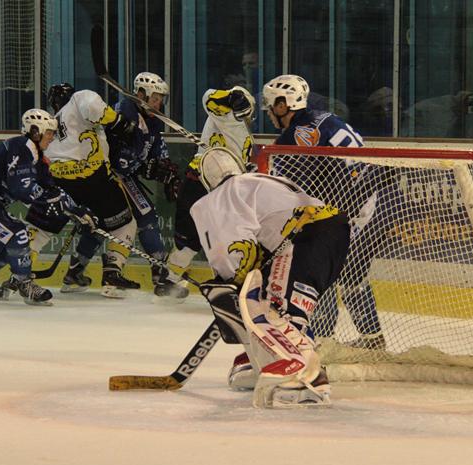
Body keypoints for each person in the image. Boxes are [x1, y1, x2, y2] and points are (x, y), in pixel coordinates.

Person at [190, 147, 351, 408]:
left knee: (273, 309)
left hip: (303, 238)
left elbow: (232, 251)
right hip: (330, 232)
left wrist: (231, 283)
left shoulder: (223, 194)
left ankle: (304, 377)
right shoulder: (259, 181)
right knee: (287, 308)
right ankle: (271, 358)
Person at [260, 74, 385, 353]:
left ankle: (324, 340)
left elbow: (293, 187)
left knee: (321, 267)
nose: (268, 112)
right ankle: (371, 338)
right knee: (351, 274)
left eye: (271, 106)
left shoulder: (296, 135)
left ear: (282, 105)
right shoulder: (323, 117)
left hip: (351, 207)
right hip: (367, 200)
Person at [0, 108, 95, 306]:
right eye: (49, 132)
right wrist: (51, 200)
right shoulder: (21, 146)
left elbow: (51, 189)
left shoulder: (37, 157)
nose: (52, 137)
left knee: (7, 248)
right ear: (35, 131)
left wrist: (76, 210)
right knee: (17, 234)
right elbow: (22, 189)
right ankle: (25, 285)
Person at [44, 83, 142, 298]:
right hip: (90, 174)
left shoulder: (53, 125)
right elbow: (92, 105)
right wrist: (118, 121)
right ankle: (112, 274)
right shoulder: (79, 98)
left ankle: (71, 274)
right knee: (125, 223)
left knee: (92, 222)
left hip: (59, 179)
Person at [165, 86, 256, 281]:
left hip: (213, 188)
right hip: (201, 183)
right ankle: (172, 279)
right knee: (202, 239)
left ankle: (171, 279)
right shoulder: (224, 115)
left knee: (201, 241)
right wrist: (231, 97)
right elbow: (208, 97)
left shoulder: (245, 135)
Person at [113, 72, 187, 299]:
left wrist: (168, 173)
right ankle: (159, 270)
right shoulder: (125, 113)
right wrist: (147, 167)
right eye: (155, 98)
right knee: (141, 216)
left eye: (161, 99)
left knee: (133, 218)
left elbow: (157, 153)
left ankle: (78, 270)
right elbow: (122, 159)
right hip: (111, 176)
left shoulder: (152, 121)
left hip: (125, 176)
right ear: (140, 94)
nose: (158, 104)